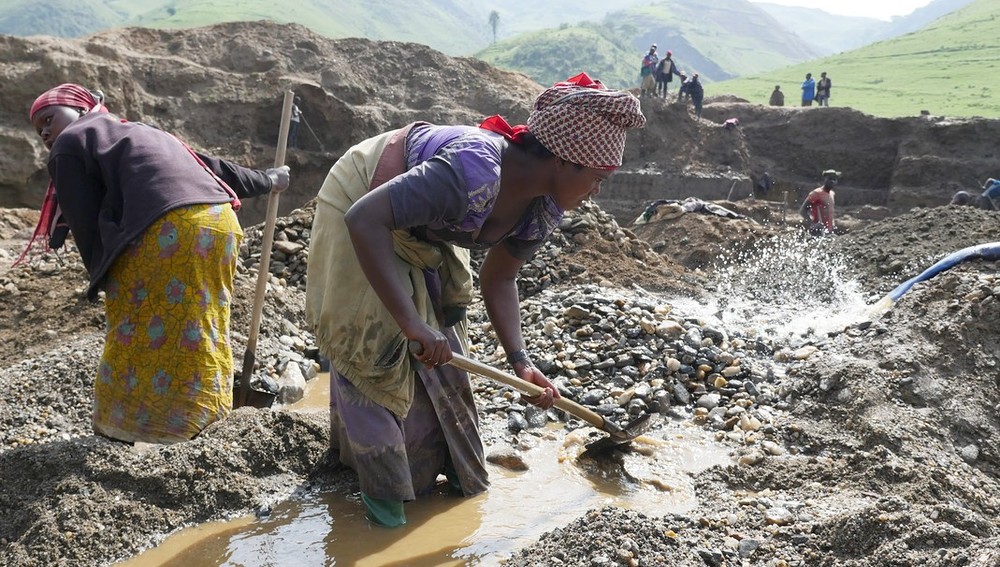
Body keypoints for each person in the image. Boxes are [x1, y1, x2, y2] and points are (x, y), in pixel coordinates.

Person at [305, 72, 645, 528]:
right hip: (363, 201)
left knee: (444, 353)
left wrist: (521, 362)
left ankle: (447, 488)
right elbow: (364, 219)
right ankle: (383, 518)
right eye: (597, 178)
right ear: (565, 161)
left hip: (424, 228)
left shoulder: (543, 206)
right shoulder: (473, 171)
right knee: (375, 350)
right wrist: (409, 323)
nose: (596, 192)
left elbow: (500, 278)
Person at [21, 83, 290, 444]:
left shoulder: (70, 143)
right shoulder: (142, 132)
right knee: (199, 324)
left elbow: (85, 223)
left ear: (82, 109)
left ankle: (126, 428)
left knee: (132, 326)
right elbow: (211, 168)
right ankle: (205, 421)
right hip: (219, 224)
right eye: (38, 129)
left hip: (166, 230)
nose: (44, 132)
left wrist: (102, 278)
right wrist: (269, 180)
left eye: (48, 119)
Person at [799, 169, 839, 234]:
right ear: (824, 179)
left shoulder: (832, 194)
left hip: (829, 231)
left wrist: (832, 224)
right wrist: (813, 224)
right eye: (830, 179)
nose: (832, 181)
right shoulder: (816, 193)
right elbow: (802, 211)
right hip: (818, 231)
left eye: (834, 179)